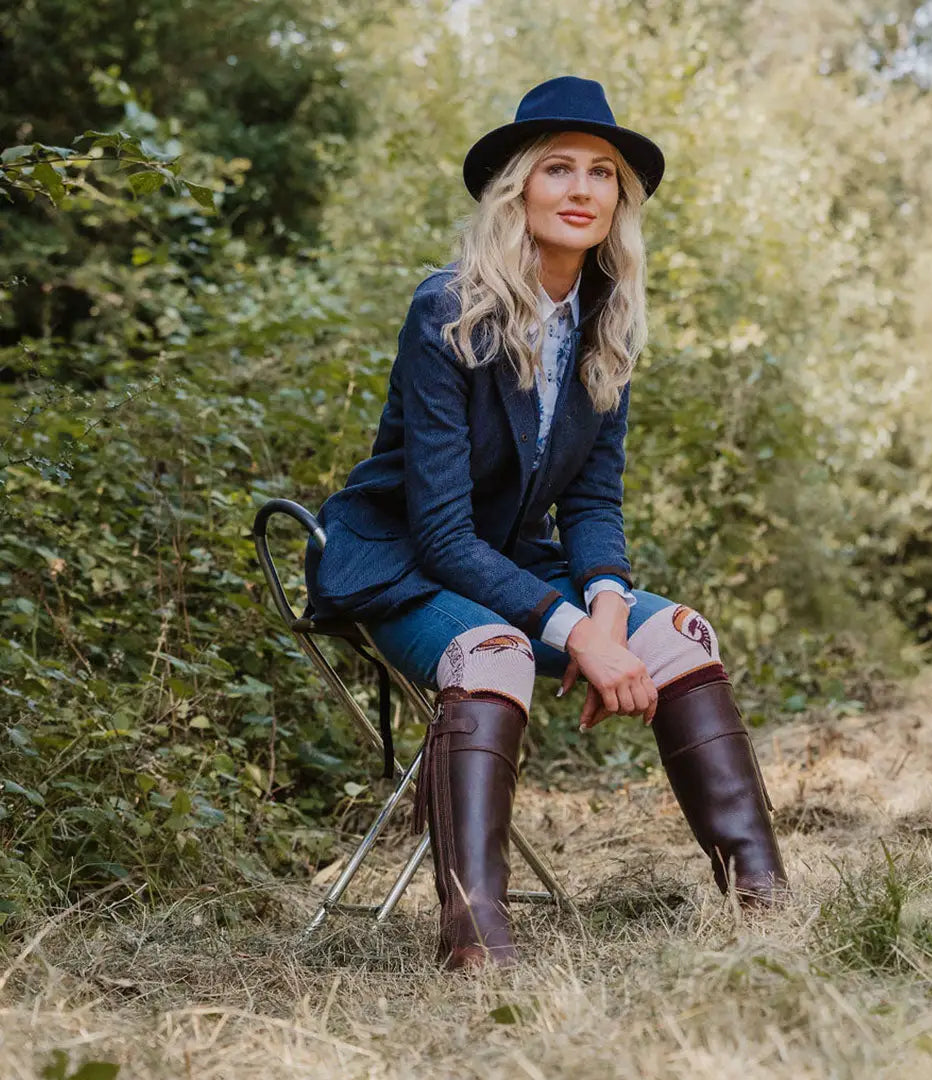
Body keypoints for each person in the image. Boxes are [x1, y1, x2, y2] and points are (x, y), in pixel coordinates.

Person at [305, 76, 786, 970]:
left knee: (678, 636)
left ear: (619, 201)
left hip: (513, 562)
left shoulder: (608, 322)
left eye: (602, 173)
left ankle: (763, 903)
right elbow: (444, 535)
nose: (581, 189)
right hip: (406, 561)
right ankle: (476, 939)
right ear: (517, 189)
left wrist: (607, 609)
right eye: (557, 168)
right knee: (496, 650)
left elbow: (595, 502)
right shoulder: (447, 311)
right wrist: (578, 636)